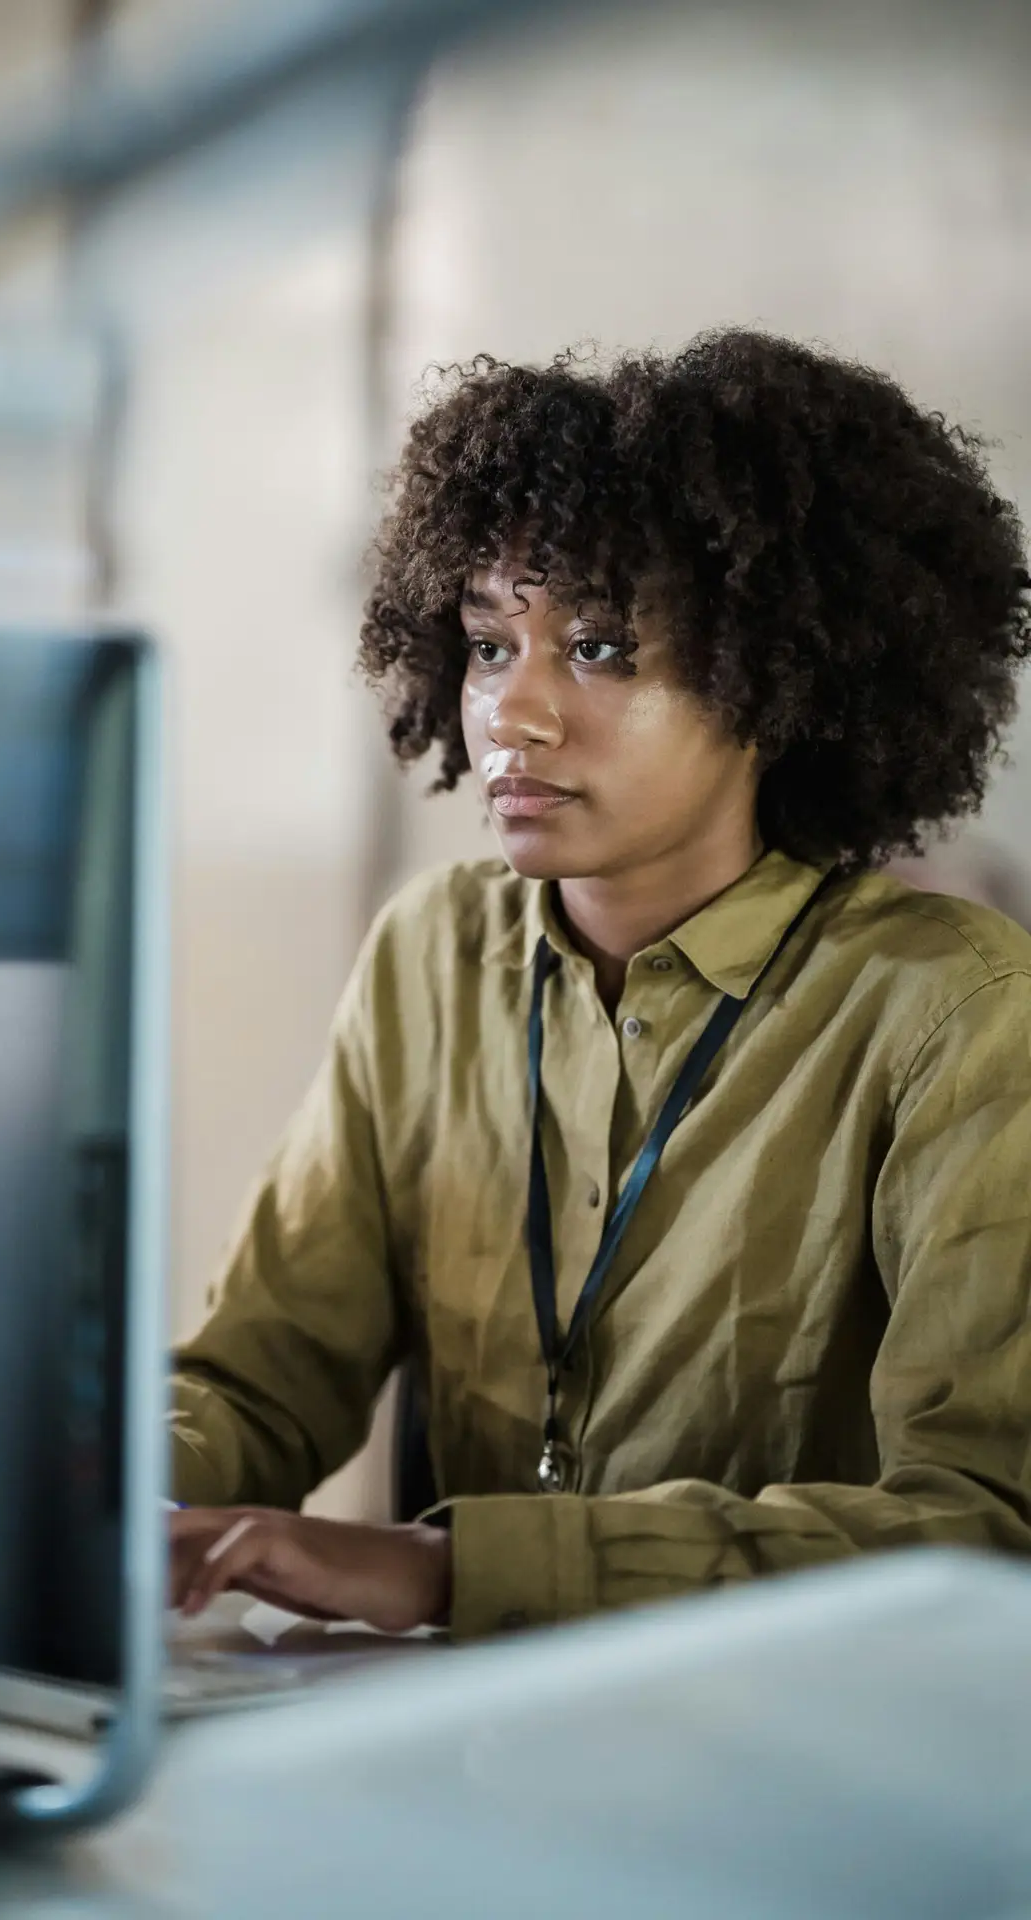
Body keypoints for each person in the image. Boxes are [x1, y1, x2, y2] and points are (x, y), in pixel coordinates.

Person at [168, 328, 1031, 1639]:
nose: (514, 714)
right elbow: (256, 1382)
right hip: (463, 1753)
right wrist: (71, 1497)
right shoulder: (430, 959)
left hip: (793, 1772)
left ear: (777, 678)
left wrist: (448, 1569)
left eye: (604, 649)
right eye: (490, 643)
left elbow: (981, 1525)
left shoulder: (957, 1011)